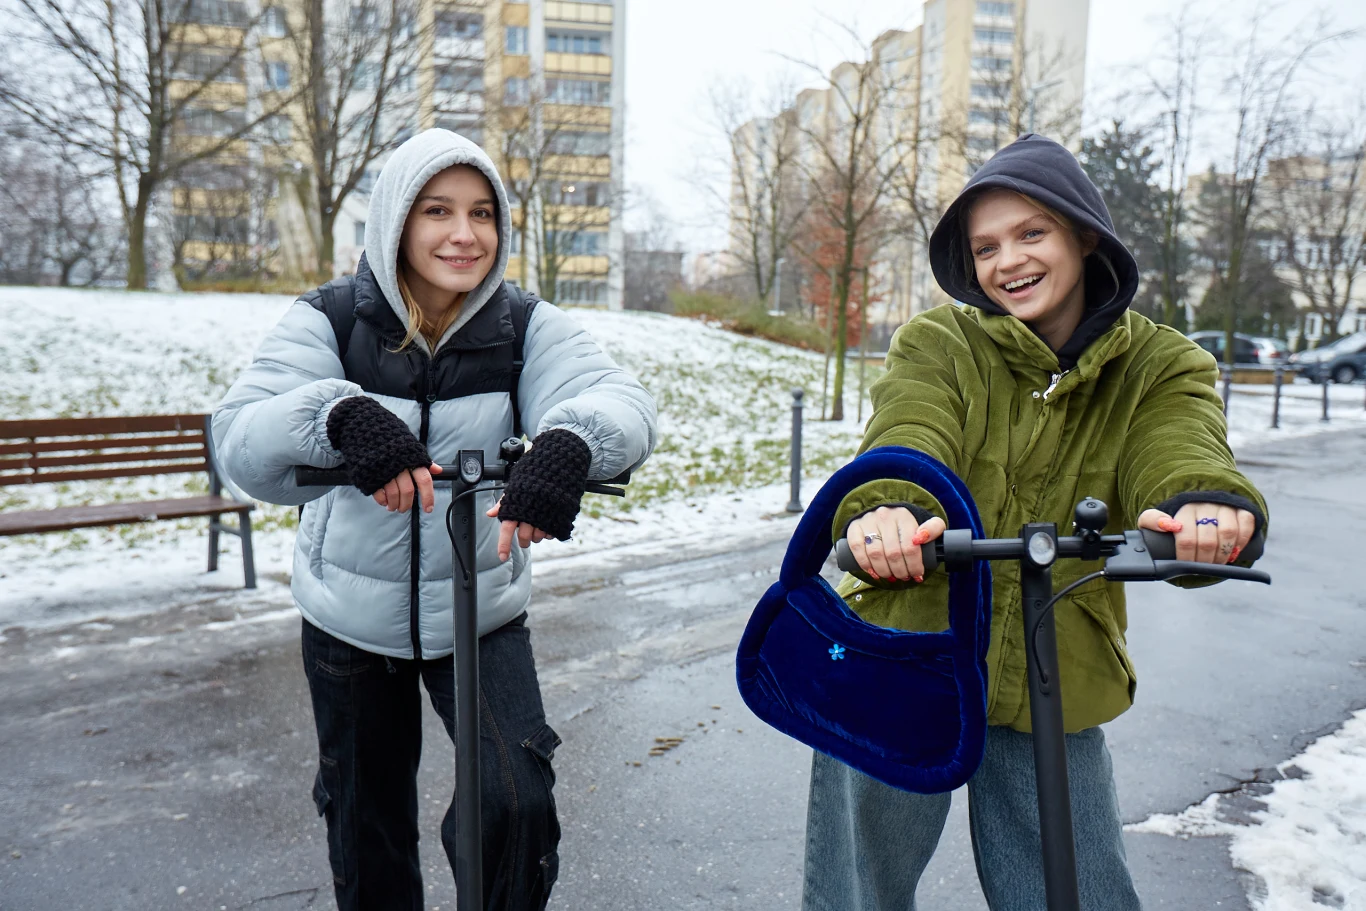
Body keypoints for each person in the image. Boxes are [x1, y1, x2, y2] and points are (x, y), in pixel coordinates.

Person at [804, 133, 1268, 910]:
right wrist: (889, 508)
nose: (1007, 261)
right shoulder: (941, 342)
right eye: (985, 247)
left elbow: (1178, 441)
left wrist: (1200, 503)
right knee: (860, 885)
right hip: (907, 646)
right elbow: (907, 431)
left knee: (1077, 885)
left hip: (1056, 659)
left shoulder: (1160, 364)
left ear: (1084, 235)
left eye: (1031, 233)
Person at [212, 129, 656, 911]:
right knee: (367, 826)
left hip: (479, 612)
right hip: (350, 616)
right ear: (396, 220)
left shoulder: (523, 324)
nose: (464, 234)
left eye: (482, 213)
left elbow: (622, 402)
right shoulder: (331, 318)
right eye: (438, 210)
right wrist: (339, 416)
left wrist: (570, 442)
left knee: (516, 800)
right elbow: (240, 440)